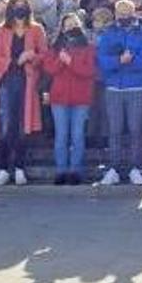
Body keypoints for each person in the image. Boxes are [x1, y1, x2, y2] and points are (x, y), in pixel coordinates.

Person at [0, 0, 47, 186]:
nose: (20, 9)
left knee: (22, 127)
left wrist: (31, 56)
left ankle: (19, 168)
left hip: (27, 82)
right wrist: (13, 61)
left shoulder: (36, 29)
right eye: (16, 6)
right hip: (5, 81)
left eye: (23, 6)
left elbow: (43, 55)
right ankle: (3, 168)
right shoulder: (1, 31)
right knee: (5, 126)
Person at [96, 0, 142, 185]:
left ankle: (135, 168)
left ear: (134, 12)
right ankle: (113, 168)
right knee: (114, 130)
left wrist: (129, 61)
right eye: (120, 13)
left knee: (135, 129)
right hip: (113, 87)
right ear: (115, 14)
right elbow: (102, 61)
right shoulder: (109, 32)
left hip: (136, 87)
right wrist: (120, 60)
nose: (123, 16)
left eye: (126, 12)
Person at [42, 12, 96, 185]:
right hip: (59, 98)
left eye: (75, 24)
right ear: (62, 28)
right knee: (62, 135)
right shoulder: (55, 47)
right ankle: (61, 170)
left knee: (78, 135)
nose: (71, 27)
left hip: (81, 98)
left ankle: (75, 171)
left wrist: (70, 62)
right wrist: (61, 60)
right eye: (68, 25)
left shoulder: (88, 47)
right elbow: (49, 69)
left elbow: (89, 71)